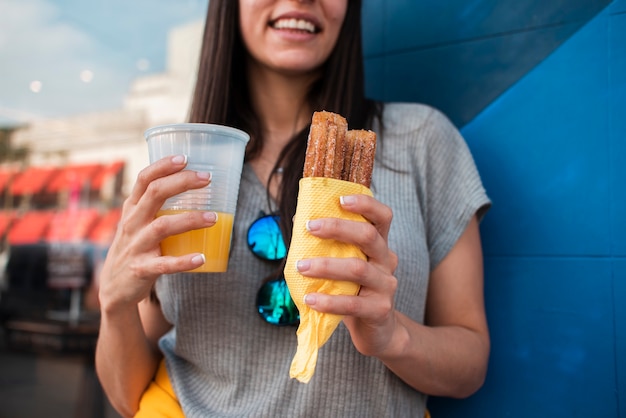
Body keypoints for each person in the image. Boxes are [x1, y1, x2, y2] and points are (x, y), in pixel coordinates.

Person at [95, 0, 492, 417]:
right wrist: (115, 304)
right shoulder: (185, 163)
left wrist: (393, 336)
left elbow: (470, 365)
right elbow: (127, 398)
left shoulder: (421, 140)